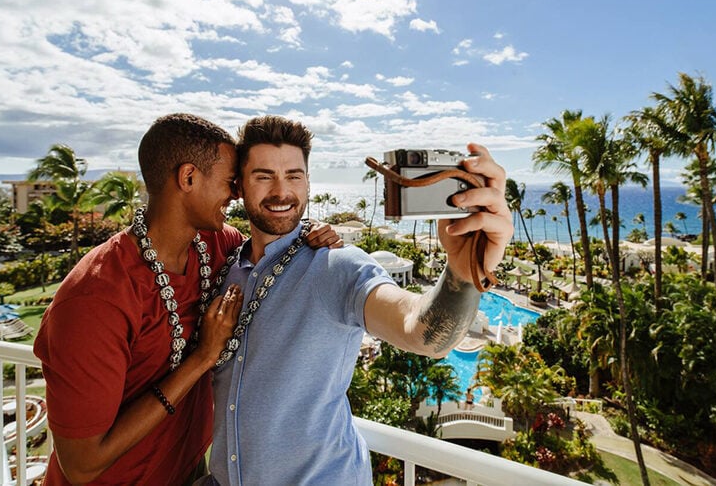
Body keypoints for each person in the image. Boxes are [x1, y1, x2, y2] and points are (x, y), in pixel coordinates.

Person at [206, 115, 514, 485]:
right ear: (239, 185)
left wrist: (462, 275)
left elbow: (422, 332)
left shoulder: (336, 266)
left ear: (307, 181)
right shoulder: (226, 269)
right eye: (263, 176)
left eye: (294, 175)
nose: (281, 191)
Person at [34, 113, 340, 485]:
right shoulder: (95, 299)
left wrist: (312, 233)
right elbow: (81, 466)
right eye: (231, 181)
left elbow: (268, 243)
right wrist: (202, 358)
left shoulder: (215, 244)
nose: (238, 193)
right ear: (189, 178)